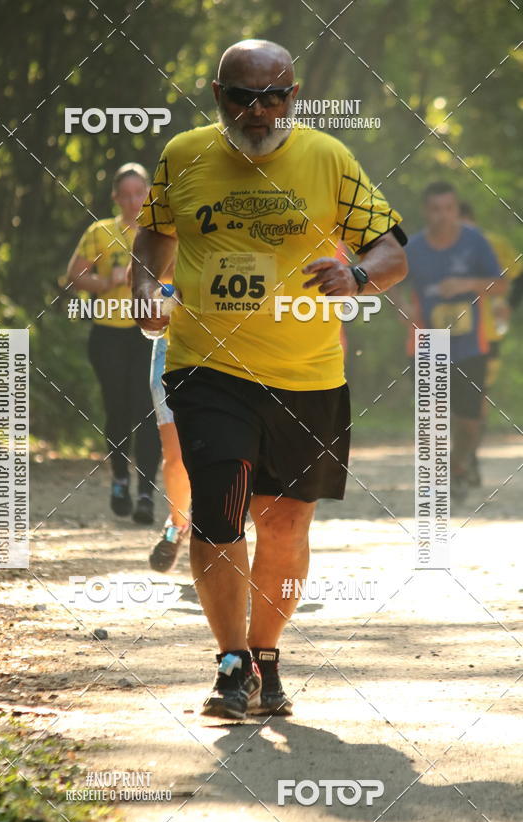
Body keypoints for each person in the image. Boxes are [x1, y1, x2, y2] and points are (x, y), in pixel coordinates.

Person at [132, 39, 408, 719]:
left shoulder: (328, 159)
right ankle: (231, 664)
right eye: (242, 98)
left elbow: (393, 250)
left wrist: (359, 275)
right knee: (220, 509)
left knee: (284, 526)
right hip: (208, 365)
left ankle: (266, 656)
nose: (258, 112)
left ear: (295, 96)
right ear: (217, 96)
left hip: (307, 374)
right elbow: (155, 234)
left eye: (274, 97)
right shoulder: (184, 155)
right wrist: (145, 283)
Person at [67, 164, 161, 523]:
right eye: (126, 195)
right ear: (115, 198)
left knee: (148, 412)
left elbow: (180, 275)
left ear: (149, 193)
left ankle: (147, 495)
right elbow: (74, 275)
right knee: (117, 409)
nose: (133, 201)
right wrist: (107, 280)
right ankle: (120, 479)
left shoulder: (161, 232)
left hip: (149, 333)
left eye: (140, 193)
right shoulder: (100, 231)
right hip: (107, 333)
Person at [404, 183, 509, 501]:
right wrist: (404, 306)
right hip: (427, 344)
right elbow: (393, 283)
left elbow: (501, 284)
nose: (442, 216)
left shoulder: (475, 242)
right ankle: (439, 480)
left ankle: (457, 464)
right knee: (434, 416)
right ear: (426, 211)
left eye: (448, 208)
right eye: (435, 209)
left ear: (456, 209)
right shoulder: (414, 248)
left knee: (468, 423)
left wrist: (466, 283)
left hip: (469, 345)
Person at [459, 201, 513, 486]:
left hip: (486, 334)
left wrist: (510, 307)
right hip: (445, 333)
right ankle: (457, 460)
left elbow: (517, 276)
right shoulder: (435, 245)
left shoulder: (492, 243)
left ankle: (470, 456)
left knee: (477, 398)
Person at [148, 333, 191, 571]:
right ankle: (178, 523)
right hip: (172, 345)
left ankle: (218, 542)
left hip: (229, 350)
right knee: (176, 461)